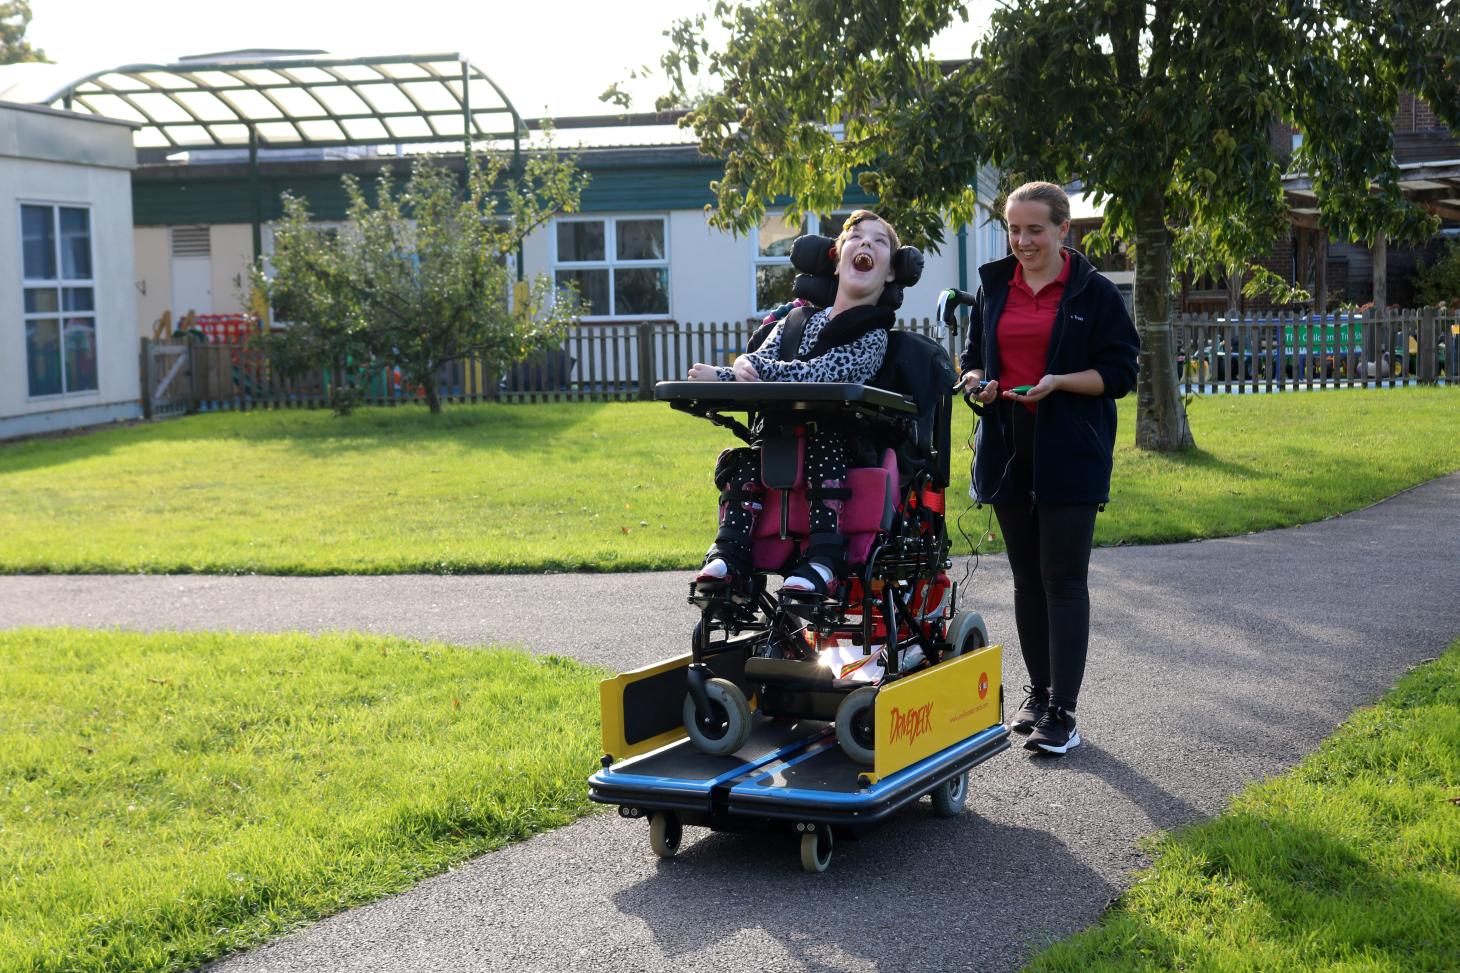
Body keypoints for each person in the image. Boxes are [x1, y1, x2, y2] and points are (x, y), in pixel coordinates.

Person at [957, 181, 1140, 755]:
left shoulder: (1094, 291)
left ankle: (1064, 713)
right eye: (1014, 229)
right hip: (1006, 446)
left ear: (1063, 229)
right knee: (1026, 578)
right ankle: (1037, 696)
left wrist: (1058, 383)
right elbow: (972, 360)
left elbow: (1121, 374)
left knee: (1062, 578)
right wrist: (977, 384)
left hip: (1071, 450)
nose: (1023, 240)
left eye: (1035, 229)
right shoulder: (993, 287)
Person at [687, 210, 902, 600]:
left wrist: (753, 366)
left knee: (823, 446)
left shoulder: (873, 335)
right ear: (836, 258)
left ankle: (824, 560)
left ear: (890, 272)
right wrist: (722, 375)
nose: (866, 243)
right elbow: (754, 371)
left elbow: (823, 374)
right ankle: (729, 556)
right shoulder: (794, 322)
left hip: (843, 446)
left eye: (879, 241)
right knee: (744, 460)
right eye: (856, 236)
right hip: (779, 441)